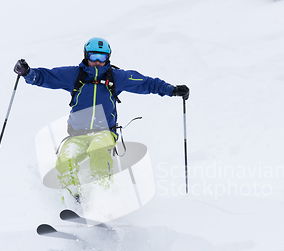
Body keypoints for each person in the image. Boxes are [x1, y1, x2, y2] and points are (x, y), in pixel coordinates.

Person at [14, 37, 189, 204]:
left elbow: (145, 83)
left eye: (102, 57)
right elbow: (47, 77)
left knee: (98, 151)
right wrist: (28, 73)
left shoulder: (116, 77)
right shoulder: (74, 75)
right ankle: (73, 201)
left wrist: (171, 90)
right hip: (77, 135)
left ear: (108, 58)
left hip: (104, 132)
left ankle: (103, 200)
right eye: (93, 57)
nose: (98, 61)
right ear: (86, 56)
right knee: (64, 159)